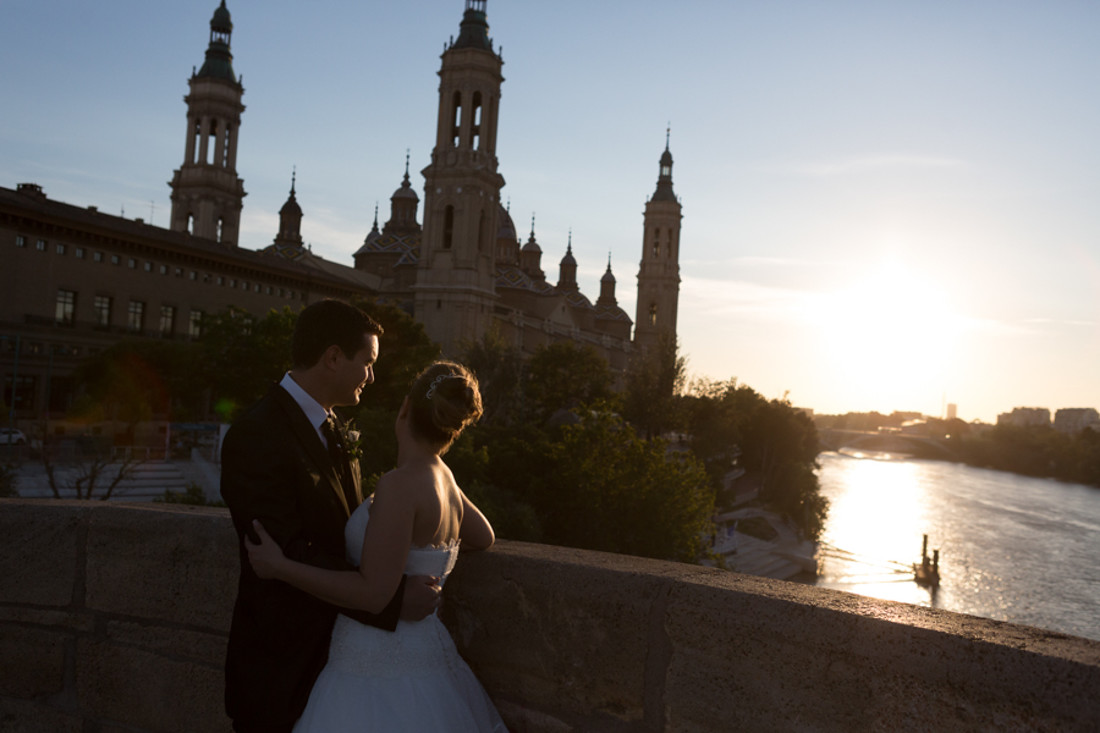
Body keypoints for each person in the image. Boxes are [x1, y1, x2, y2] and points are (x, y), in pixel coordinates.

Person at [246, 361, 508, 732]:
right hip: (428, 655)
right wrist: (425, 562)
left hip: (373, 663)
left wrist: (280, 566)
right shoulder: (444, 477)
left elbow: (372, 594)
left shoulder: (400, 485)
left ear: (405, 408)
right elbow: (484, 536)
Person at [221, 299, 441, 733]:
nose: (372, 377)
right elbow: (284, 550)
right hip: (283, 667)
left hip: (340, 661)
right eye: (368, 362)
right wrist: (390, 601)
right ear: (334, 357)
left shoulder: (334, 426)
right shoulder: (256, 433)